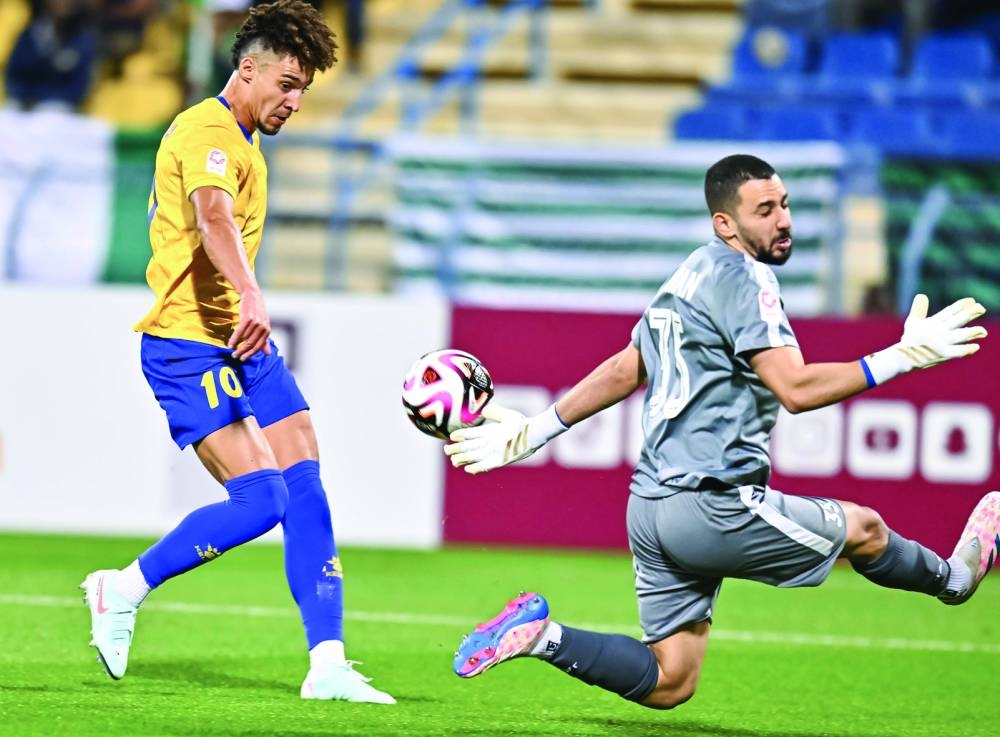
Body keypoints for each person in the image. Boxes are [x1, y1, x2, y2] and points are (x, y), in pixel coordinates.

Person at [443, 154, 996, 709]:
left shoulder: (692, 270)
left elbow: (629, 364)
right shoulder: (747, 278)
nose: (783, 220)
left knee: (670, 682)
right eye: (765, 210)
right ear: (724, 223)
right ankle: (953, 581)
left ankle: (541, 637)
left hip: (649, 508)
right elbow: (796, 390)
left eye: (784, 205)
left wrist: (536, 432)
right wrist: (899, 357)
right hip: (712, 507)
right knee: (866, 528)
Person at [79, 0, 394, 704]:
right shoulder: (207, 130)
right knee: (264, 497)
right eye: (286, 82)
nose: (295, 99)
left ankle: (328, 663)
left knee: (306, 473)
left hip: (239, 342)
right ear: (247, 68)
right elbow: (212, 215)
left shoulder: (248, 140)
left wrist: (247, 309)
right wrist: (253, 294)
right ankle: (122, 587)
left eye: (304, 89)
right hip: (188, 342)